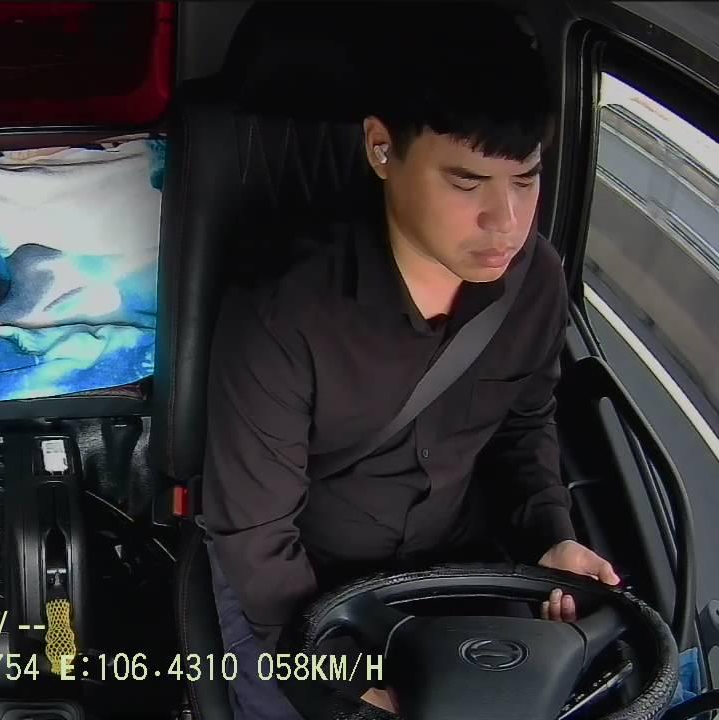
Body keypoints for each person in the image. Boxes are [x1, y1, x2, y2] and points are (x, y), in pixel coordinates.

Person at [200, 6, 620, 719]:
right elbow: (255, 536)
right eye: (466, 183)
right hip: (296, 586)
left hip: (457, 563)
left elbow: (524, 427)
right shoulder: (284, 313)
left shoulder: (536, 280)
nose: (505, 223)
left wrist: (551, 536)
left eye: (525, 180)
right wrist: (343, 681)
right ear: (381, 149)